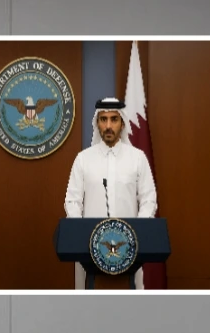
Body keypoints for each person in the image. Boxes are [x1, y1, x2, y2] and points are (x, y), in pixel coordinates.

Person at [63, 97, 158, 289]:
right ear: (96, 122)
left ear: (122, 123)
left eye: (114, 119)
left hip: (129, 248)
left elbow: (149, 200)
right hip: (89, 248)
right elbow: (72, 202)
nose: (108, 125)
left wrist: (137, 232)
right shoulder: (83, 159)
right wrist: (82, 235)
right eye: (103, 119)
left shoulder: (137, 158)